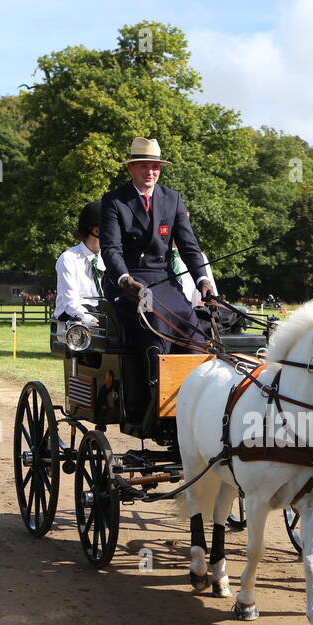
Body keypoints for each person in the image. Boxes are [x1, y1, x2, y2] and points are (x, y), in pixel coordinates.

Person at [100, 136, 216, 427]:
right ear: (132, 169)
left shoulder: (172, 198)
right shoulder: (114, 201)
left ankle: (196, 407)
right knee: (155, 321)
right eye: (144, 166)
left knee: (194, 329)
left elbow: (188, 245)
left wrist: (202, 278)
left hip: (165, 280)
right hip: (127, 281)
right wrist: (125, 279)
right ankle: (156, 406)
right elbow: (110, 249)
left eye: (155, 167)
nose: (150, 172)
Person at [54, 200, 105, 342]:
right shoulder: (68, 259)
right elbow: (71, 303)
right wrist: (92, 320)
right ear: (96, 230)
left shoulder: (110, 259)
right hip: (74, 324)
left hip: (106, 324)